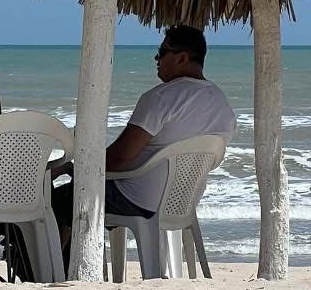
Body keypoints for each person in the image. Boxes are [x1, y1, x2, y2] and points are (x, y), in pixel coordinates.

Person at [53, 24, 235, 251]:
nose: (156, 58)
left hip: (137, 199)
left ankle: (47, 271)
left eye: (162, 52)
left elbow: (120, 157)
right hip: (181, 203)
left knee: (54, 200)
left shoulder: (161, 98)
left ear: (182, 58)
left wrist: (80, 167)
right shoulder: (222, 103)